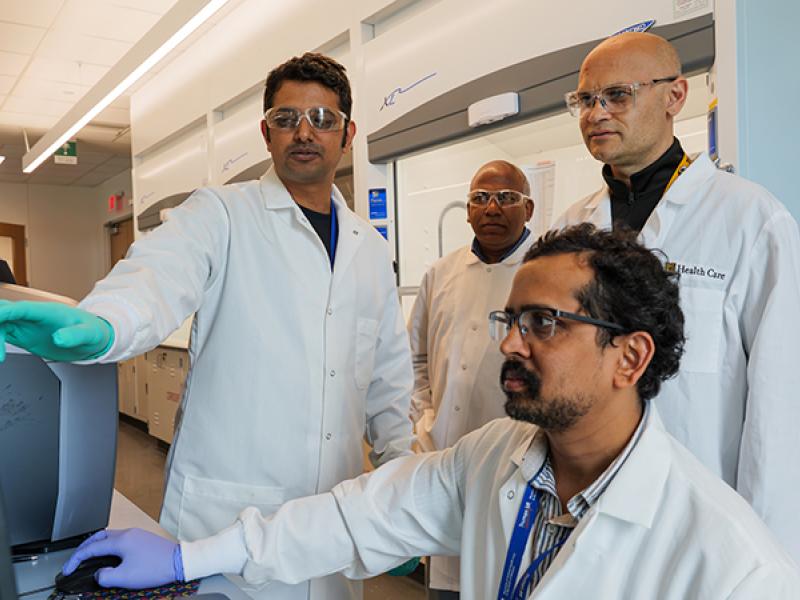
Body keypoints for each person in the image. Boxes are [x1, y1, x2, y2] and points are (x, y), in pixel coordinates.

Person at [62, 225, 800, 598]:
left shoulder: (734, 566)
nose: (509, 343)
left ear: (630, 357)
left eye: (543, 323)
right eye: (510, 320)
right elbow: (353, 518)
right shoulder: (495, 458)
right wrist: (187, 558)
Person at [0, 53, 414, 600]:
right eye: (286, 118)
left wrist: (403, 483)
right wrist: (104, 324)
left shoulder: (370, 251)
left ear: (348, 134)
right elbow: (156, 277)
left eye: (322, 118)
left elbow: (388, 383)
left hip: (329, 530)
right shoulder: (221, 213)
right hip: (223, 515)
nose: (304, 132)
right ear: (266, 133)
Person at [555, 32, 800, 561]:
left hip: (702, 524)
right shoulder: (573, 226)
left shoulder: (750, 220)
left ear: (675, 96)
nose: (596, 113)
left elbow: (780, 404)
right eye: (585, 99)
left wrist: (767, 552)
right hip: (589, 514)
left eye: (617, 95)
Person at [407, 159, 533, 598]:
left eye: (506, 198)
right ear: (467, 211)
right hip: (445, 455)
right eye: (481, 198)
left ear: (528, 209)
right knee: (447, 581)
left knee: (508, 575)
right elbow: (415, 359)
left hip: (518, 461)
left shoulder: (543, 273)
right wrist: (426, 418)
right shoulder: (440, 274)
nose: (492, 208)